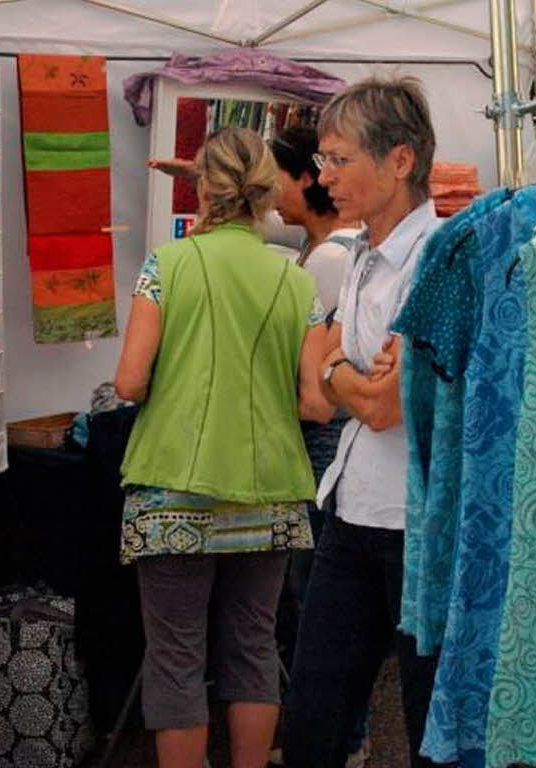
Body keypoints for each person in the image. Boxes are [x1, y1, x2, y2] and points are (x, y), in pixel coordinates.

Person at [115, 126, 333, 768]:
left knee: (177, 655)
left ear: (201, 191)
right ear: (268, 190)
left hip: (172, 489)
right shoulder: (297, 282)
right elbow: (316, 405)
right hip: (269, 491)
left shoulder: (167, 264)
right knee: (253, 648)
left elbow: (129, 381)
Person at [281, 77, 445, 768]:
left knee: (430, 724)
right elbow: (319, 393)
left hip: (418, 527)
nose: (325, 177)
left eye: (340, 159)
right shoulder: (358, 253)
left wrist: (333, 367)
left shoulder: (437, 258)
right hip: (352, 510)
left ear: (400, 160)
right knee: (314, 720)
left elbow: (384, 405)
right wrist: (342, 370)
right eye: (321, 161)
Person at [268, 126, 371, 768]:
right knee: (325, 602)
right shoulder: (328, 250)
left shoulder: (331, 258)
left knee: (322, 604)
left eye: (273, 178)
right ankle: (339, 737)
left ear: (306, 177)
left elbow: (318, 375)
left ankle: (343, 741)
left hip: (322, 441)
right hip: (332, 438)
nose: (268, 195)